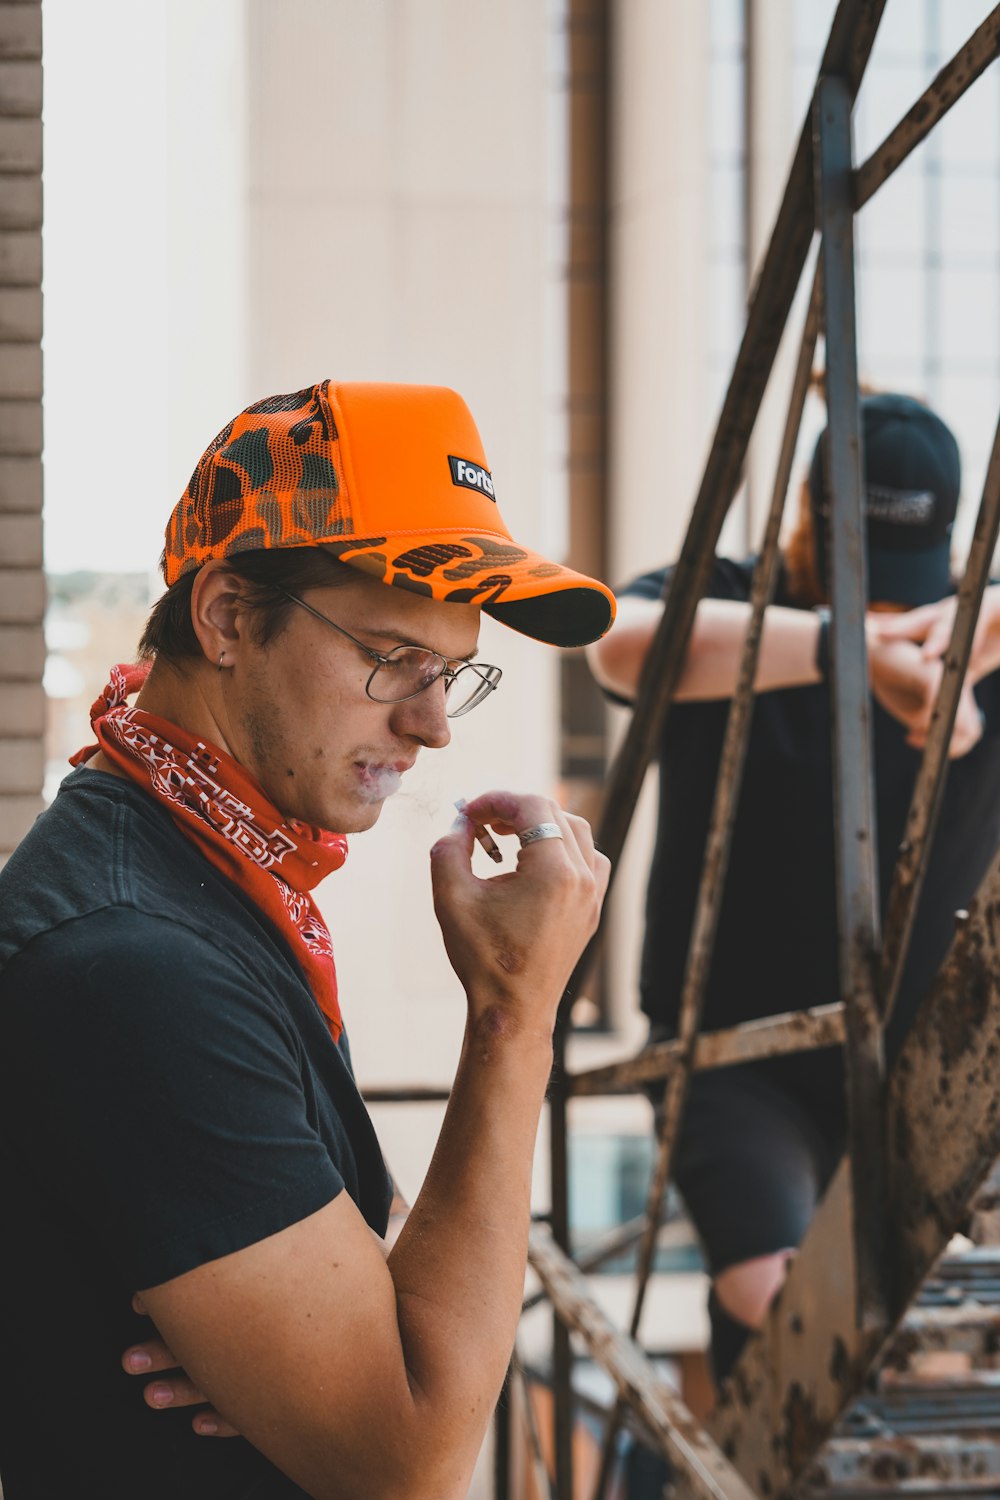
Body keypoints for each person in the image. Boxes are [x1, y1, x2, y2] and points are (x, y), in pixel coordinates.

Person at [0, 380, 613, 1499]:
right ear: (227, 615)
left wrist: (332, 1321)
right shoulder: (136, 959)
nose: (429, 724)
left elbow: (386, 1330)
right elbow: (407, 1459)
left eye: (452, 673)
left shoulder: (210, 866)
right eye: (392, 657)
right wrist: (513, 1011)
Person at [587, 391, 1000, 1393]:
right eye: (867, 581)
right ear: (811, 525)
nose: (888, 612)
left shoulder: (967, 636)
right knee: (776, 1299)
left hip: (924, 1069)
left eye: (904, 588)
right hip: (733, 1054)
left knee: (919, 1337)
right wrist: (838, 649)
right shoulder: (732, 600)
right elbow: (617, 645)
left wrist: (979, 626)